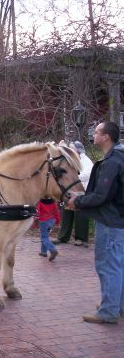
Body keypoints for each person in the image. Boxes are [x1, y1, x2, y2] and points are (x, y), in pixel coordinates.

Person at [67, 121, 124, 324]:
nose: (94, 134)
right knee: (117, 265)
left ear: (106, 136)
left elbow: (102, 195)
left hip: (110, 222)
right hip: (117, 221)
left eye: (98, 132)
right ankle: (117, 306)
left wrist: (78, 200)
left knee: (108, 265)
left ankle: (109, 311)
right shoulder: (117, 158)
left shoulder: (112, 162)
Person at [57, 141, 94, 246]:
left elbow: (88, 173)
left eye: (72, 148)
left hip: (81, 191)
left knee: (80, 215)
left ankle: (81, 239)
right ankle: (63, 237)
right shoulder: (73, 160)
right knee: (67, 213)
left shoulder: (85, 160)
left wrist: (74, 179)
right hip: (72, 190)